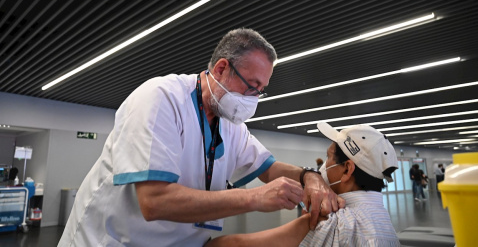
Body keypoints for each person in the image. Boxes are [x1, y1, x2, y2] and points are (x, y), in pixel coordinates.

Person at [58, 28, 344, 247]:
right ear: (221, 68)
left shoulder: (230, 124)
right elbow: (154, 202)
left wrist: (309, 177)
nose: (253, 99)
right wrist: (254, 198)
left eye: (261, 91)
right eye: (251, 86)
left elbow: (268, 168)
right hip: (113, 241)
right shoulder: (161, 98)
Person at [205, 123, 401, 247]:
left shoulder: (328, 221)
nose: (324, 167)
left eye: (329, 158)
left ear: (347, 170)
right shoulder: (387, 227)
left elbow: (233, 244)